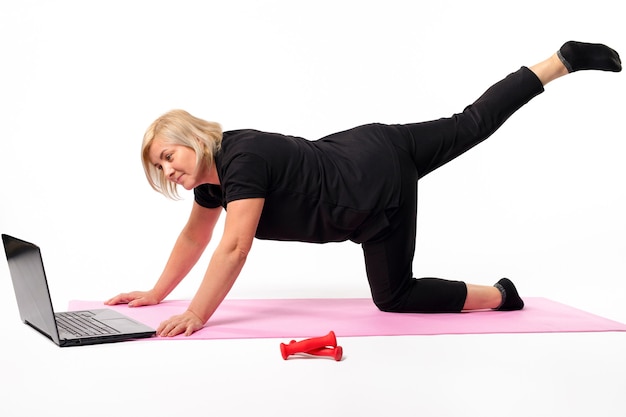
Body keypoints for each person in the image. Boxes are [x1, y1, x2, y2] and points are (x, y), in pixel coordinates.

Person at [106, 41, 621, 337]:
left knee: (395, 296)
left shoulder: (241, 164)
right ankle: (562, 61)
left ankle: (503, 296)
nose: (168, 171)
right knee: (469, 124)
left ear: (194, 139)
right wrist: (157, 293)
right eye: (160, 168)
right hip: (370, 145)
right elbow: (194, 239)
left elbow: (234, 246)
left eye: (169, 156)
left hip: (373, 190)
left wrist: (196, 314)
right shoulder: (215, 184)